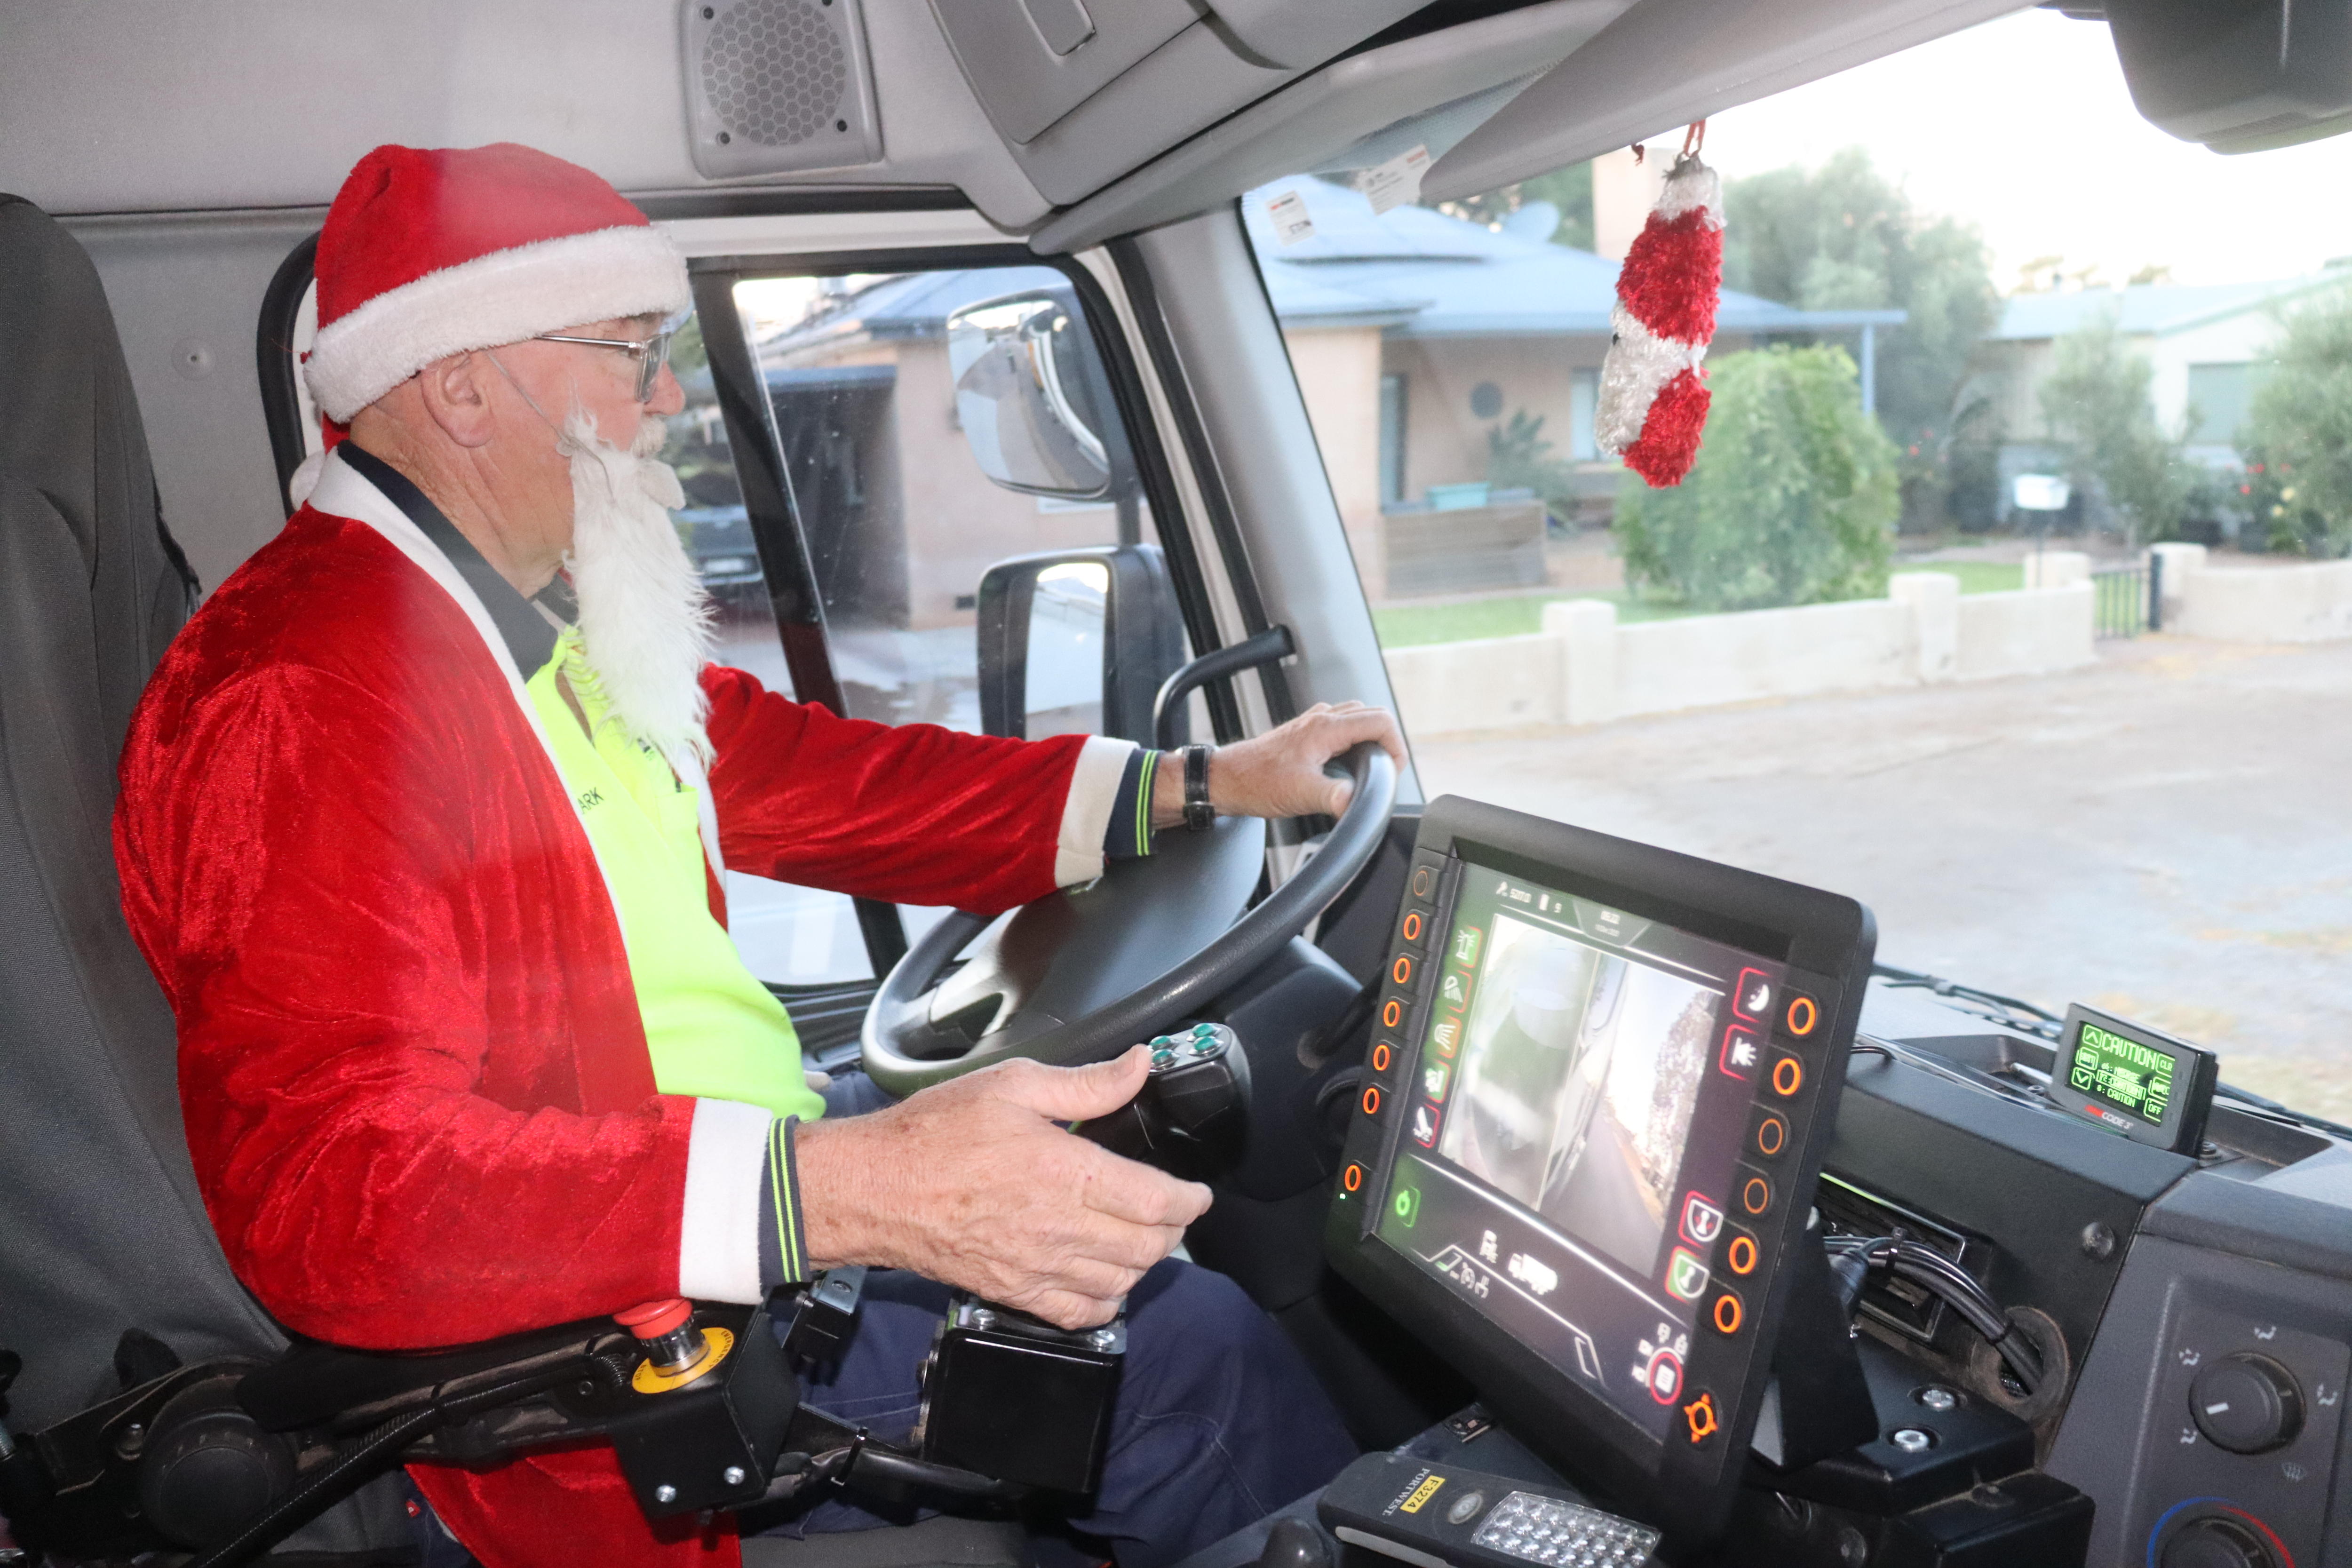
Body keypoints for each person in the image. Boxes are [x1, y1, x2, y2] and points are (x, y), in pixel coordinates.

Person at [112, 143, 1399, 1568]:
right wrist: (844, 1193)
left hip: (712, 1168)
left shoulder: (533, 621)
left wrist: (1195, 782)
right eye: (630, 353)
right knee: (1190, 1345)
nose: (667, 397)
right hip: (622, 1343)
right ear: (462, 387)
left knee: (1099, 1159)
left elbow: (833, 782)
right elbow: (336, 1198)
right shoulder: (308, 689)